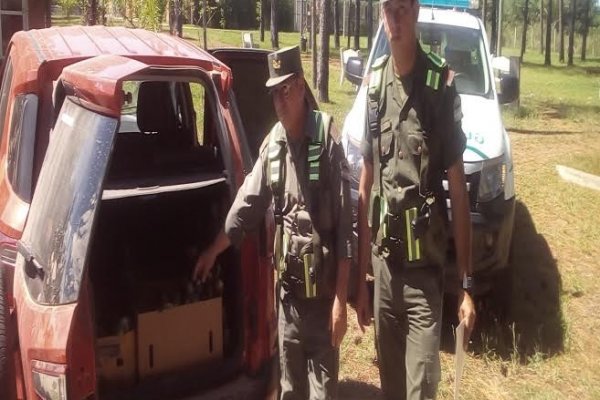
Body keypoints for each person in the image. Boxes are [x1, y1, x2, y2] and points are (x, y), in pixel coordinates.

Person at [193, 46, 353, 400]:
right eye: (273, 93)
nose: (278, 100)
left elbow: (346, 229)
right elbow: (245, 207)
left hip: (323, 299)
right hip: (289, 302)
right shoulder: (273, 146)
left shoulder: (327, 141)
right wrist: (212, 251)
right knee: (289, 390)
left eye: (284, 89)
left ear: (299, 86)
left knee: (323, 393)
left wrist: (342, 301)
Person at [354, 0, 477, 399]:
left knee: (421, 386)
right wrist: (360, 279)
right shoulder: (374, 86)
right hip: (385, 272)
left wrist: (466, 284)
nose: (396, 18)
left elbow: (458, 192)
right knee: (390, 386)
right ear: (380, 15)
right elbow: (365, 183)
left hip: (425, 274)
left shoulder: (439, 86)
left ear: (417, 11)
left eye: (404, 8)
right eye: (389, 9)